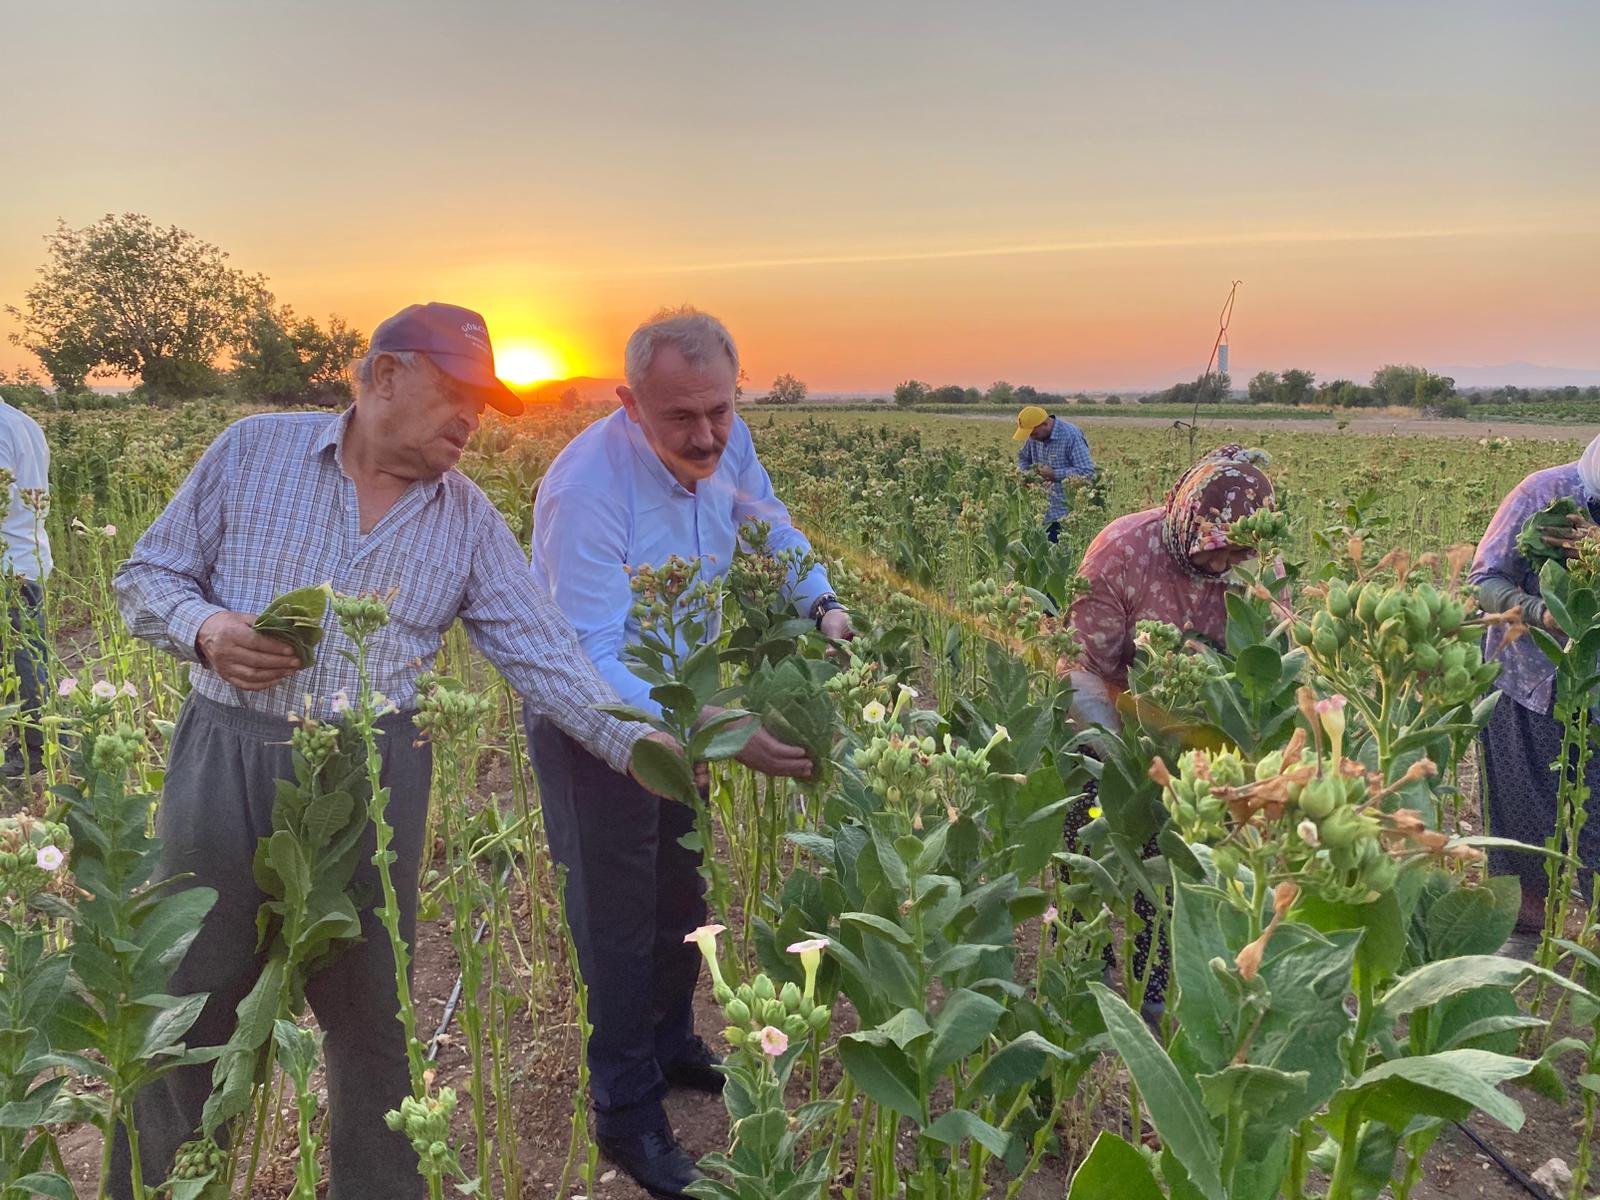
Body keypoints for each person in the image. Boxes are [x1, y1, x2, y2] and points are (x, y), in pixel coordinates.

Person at [112, 302, 673, 1200]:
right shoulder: (251, 452)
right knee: (187, 1004)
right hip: (227, 758)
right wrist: (207, 628)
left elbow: (550, 660)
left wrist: (657, 748)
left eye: (484, 406)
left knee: (378, 1023)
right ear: (382, 376)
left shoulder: (467, 521)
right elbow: (145, 575)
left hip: (372, 778)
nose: (471, 421)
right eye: (457, 394)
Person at [528, 307, 852, 1198]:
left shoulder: (727, 438)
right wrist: (720, 732)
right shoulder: (586, 489)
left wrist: (820, 603)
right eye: (681, 418)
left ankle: (671, 1046)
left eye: (720, 409)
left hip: (685, 702)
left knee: (680, 893)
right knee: (618, 922)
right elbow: (586, 652)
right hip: (594, 722)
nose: (707, 435)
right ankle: (626, 1111)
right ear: (630, 402)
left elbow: (766, 522)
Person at [1065, 444, 1276, 1014]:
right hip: (1109, 691)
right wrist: (1127, 743)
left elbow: (1267, 659)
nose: (1221, 564)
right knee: (1092, 807)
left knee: (1175, 850)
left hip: (1202, 712)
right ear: (1187, 518)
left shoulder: (1261, 567)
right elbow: (1091, 657)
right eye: (1214, 548)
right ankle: (1080, 955)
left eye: (1238, 550)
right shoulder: (1123, 550)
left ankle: (1158, 979)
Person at [1470, 431, 1600, 945]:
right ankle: (1523, 936)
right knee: (1522, 819)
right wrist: (1539, 612)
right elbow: (1483, 579)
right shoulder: (1539, 494)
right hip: (1527, 682)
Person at [0, 394, 52, 778]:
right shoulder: (22, 422)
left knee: (24, 660)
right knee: (29, 654)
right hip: (27, 552)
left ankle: (37, 750)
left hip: (9, 563)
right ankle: (40, 744)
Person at [1013, 404, 1095, 542]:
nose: (1031, 438)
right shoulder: (1033, 437)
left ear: (1044, 424)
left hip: (1065, 517)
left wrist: (1055, 474)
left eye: (1033, 433)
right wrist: (1025, 475)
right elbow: (1023, 458)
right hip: (1039, 512)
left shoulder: (1071, 436)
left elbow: (1087, 472)